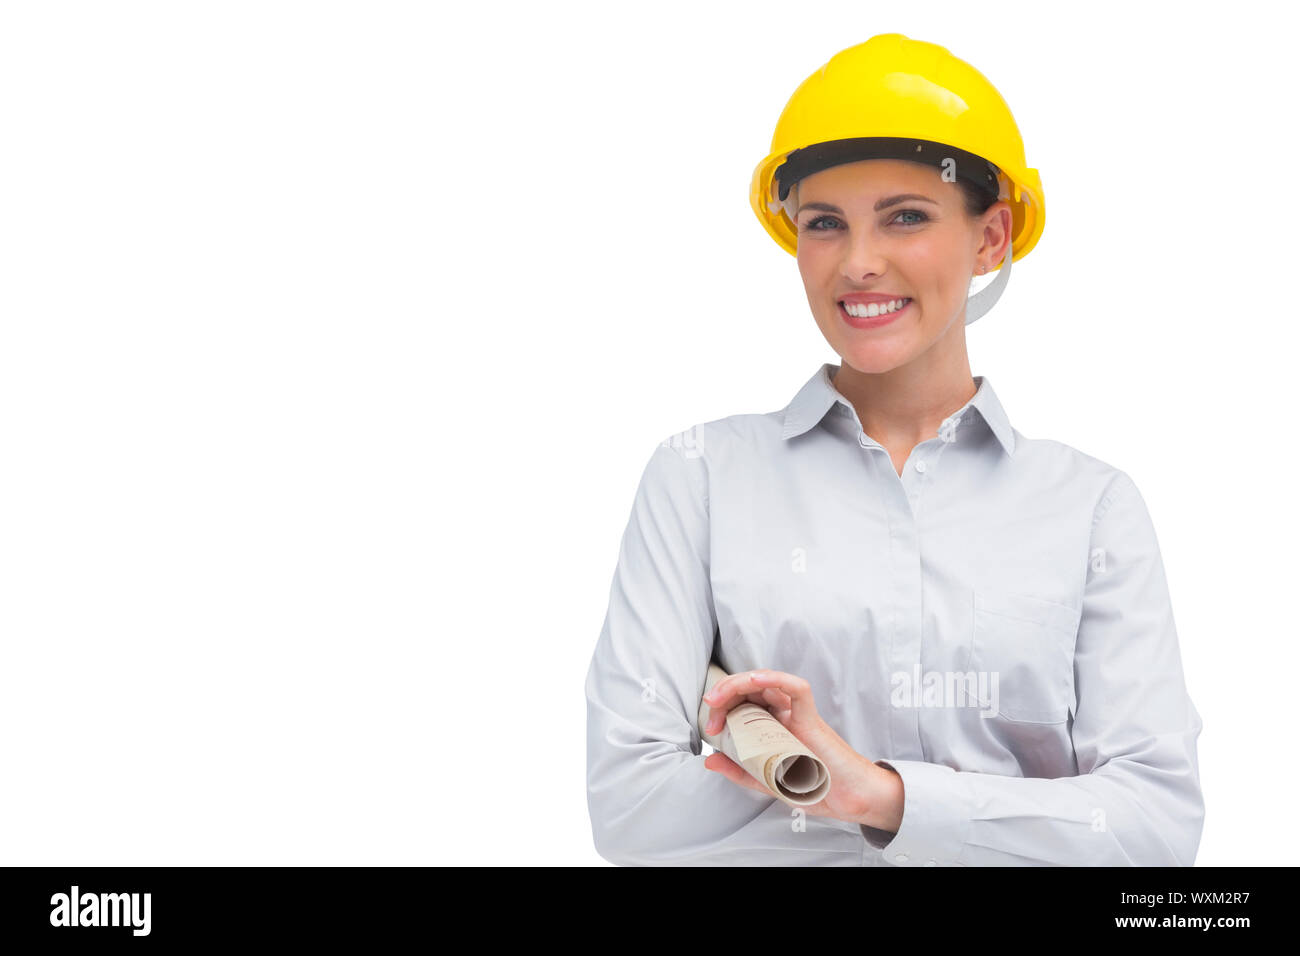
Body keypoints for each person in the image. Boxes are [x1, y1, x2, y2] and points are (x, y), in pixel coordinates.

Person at [584, 33, 1204, 866]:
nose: (859, 264)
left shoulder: (1090, 506)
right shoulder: (699, 479)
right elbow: (633, 810)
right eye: (825, 224)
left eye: (906, 217)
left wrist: (879, 797)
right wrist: (1015, 824)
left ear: (992, 239)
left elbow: (1154, 828)